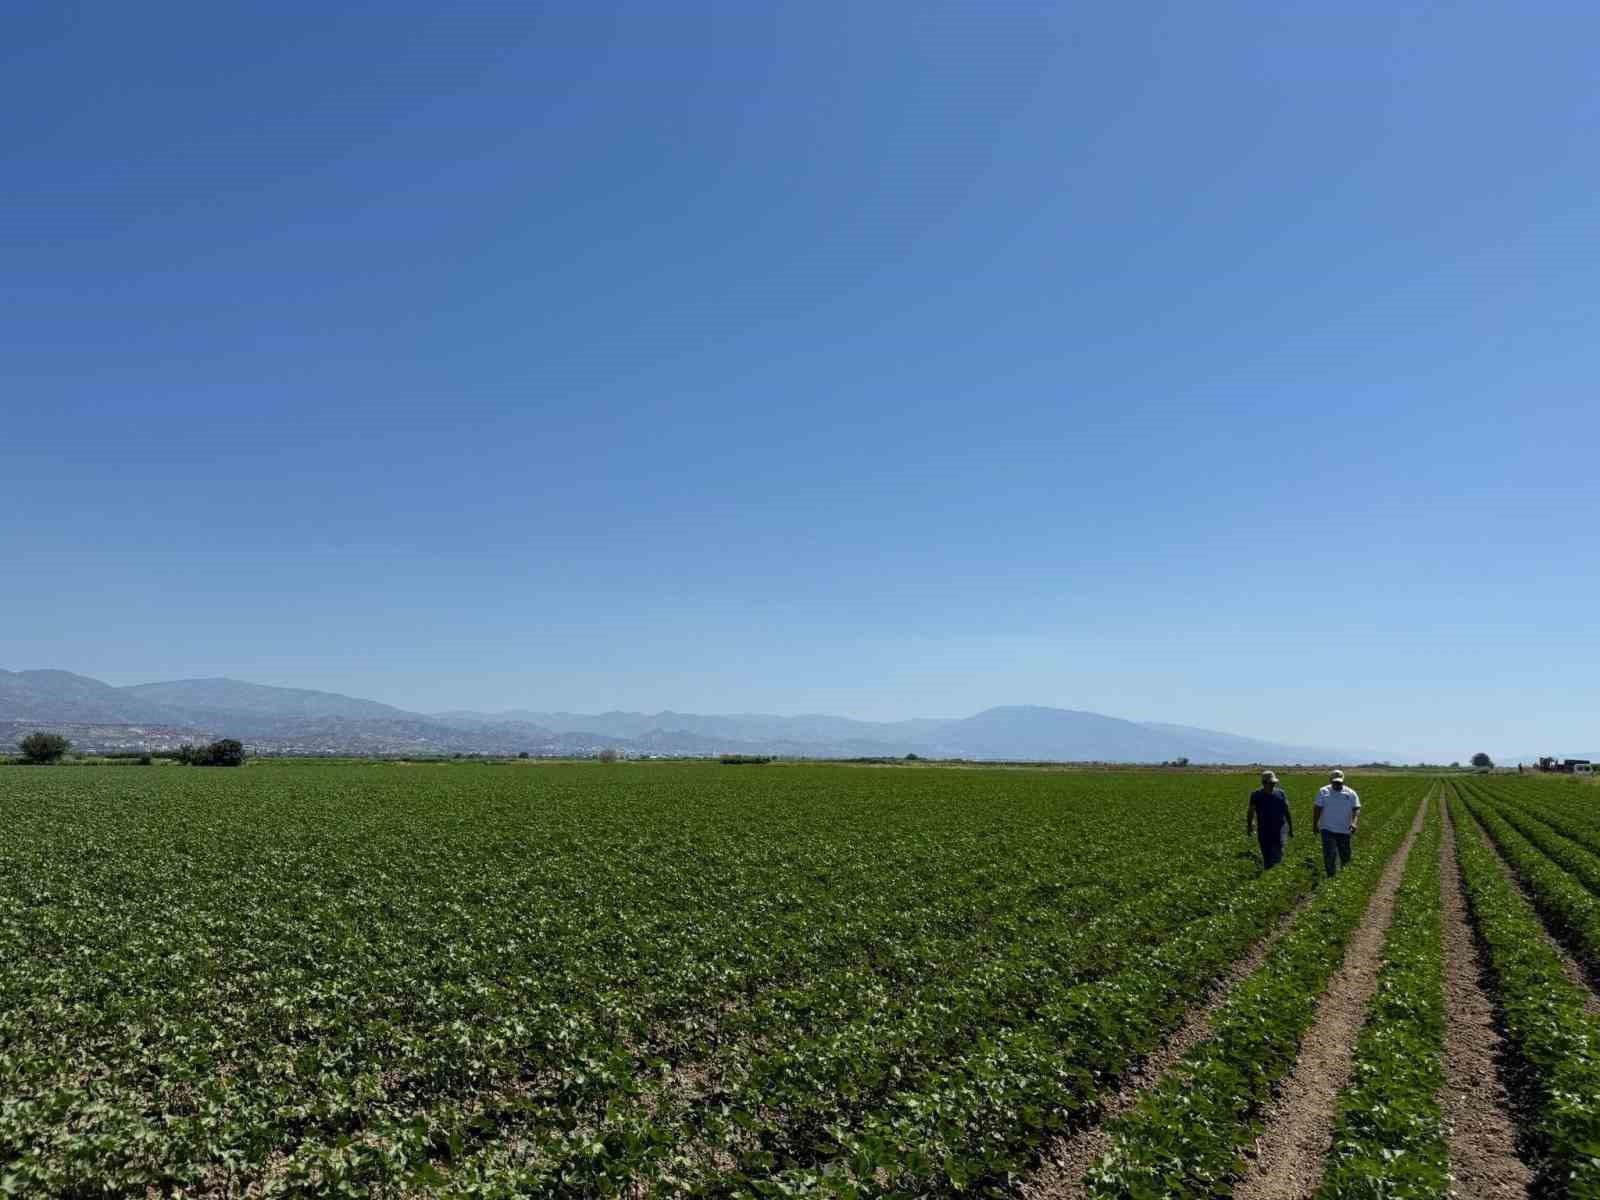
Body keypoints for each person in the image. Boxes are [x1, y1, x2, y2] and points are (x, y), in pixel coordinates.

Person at [1313, 769, 1360, 878]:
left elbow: (1356, 809)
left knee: (1345, 856)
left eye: (1339, 782)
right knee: (1329, 855)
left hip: (1344, 830)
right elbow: (1317, 808)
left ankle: (1344, 878)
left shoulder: (1351, 793)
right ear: (1330, 781)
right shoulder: (1323, 792)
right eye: (1335, 782)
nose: (1337, 784)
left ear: (1343, 780)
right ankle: (1331, 877)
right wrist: (1315, 824)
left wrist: (1354, 823)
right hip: (1327, 829)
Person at [1246, 770, 1293, 868]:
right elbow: (1251, 811)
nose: (1273, 785)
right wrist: (1250, 826)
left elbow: (1286, 810)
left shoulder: (1281, 793)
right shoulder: (1256, 795)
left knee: (1277, 852)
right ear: (1263, 783)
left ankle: (1275, 871)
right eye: (1270, 783)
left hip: (1279, 828)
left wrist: (1290, 828)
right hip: (1263, 829)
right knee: (1266, 854)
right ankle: (1268, 871)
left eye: (1274, 783)